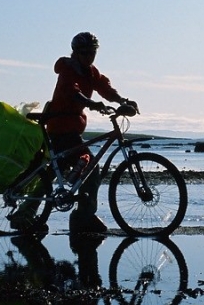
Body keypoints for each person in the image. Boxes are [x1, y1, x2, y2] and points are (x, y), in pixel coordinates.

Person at [44, 31, 138, 233]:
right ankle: (83, 217)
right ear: (75, 53)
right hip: (60, 127)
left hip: (72, 128)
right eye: (85, 53)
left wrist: (122, 101)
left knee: (54, 171)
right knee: (90, 168)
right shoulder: (68, 70)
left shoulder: (91, 72)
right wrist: (91, 103)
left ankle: (25, 215)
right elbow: (72, 91)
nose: (89, 57)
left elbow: (105, 88)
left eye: (92, 53)